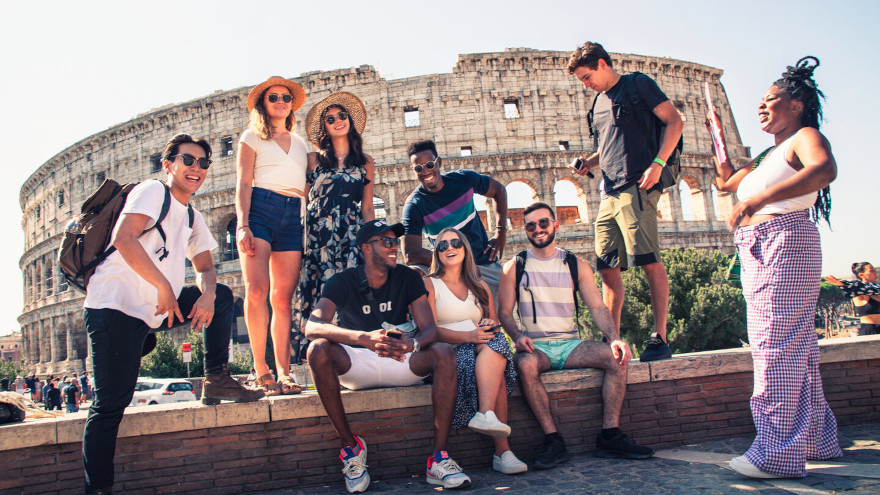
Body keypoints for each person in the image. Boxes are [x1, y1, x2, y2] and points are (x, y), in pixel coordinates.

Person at [81, 133, 263, 494]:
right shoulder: (152, 191)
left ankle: (216, 378)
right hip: (114, 307)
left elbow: (206, 268)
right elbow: (124, 238)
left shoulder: (192, 215)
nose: (196, 169)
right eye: (188, 160)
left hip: (154, 310)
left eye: (203, 163)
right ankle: (97, 489)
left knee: (224, 296)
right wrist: (165, 286)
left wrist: (207, 294)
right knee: (109, 405)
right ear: (169, 164)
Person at [707, 57, 841, 479]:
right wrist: (720, 151)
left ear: (797, 104)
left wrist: (757, 201)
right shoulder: (767, 158)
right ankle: (817, 439)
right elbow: (726, 180)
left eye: (771, 101)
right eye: (760, 103)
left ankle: (777, 454)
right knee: (795, 347)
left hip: (783, 240)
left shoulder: (805, 136)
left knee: (773, 347)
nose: (761, 108)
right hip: (761, 246)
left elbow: (826, 170)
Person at [305, 220, 470, 493]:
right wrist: (362, 338)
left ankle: (438, 458)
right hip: (358, 361)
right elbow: (312, 327)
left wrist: (412, 345)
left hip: (400, 358)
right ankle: (350, 448)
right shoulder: (342, 281)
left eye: (396, 241)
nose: (395, 247)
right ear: (367, 249)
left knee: (443, 352)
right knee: (318, 349)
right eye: (387, 241)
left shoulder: (407, 277)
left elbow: (429, 329)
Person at [498, 202, 654, 470]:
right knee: (524, 364)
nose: (538, 229)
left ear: (555, 225)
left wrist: (614, 338)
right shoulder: (514, 266)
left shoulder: (576, 264)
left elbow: (597, 307)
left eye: (543, 223)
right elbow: (504, 312)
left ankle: (610, 435)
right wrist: (516, 336)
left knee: (616, 357)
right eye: (531, 225)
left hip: (571, 345)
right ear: (525, 230)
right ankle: (553, 439)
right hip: (538, 347)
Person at [567, 42, 683, 362]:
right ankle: (612, 340)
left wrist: (658, 163)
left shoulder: (637, 85)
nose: (585, 84)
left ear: (603, 64)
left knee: (648, 260)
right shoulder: (598, 104)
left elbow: (675, 122)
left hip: (638, 185)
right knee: (606, 267)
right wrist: (588, 163)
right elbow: (608, 146)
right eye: (581, 80)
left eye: (587, 76)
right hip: (610, 189)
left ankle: (659, 336)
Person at [424, 227, 526, 475]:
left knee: (496, 346)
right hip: (447, 355)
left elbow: (492, 324)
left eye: (455, 243)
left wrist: (488, 326)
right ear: (436, 253)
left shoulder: (479, 285)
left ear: (465, 248)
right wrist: (469, 335)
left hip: (482, 350)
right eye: (442, 245)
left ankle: (487, 417)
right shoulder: (429, 284)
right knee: (497, 361)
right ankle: (502, 450)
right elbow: (428, 331)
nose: (449, 248)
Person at [235, 76, 308, 395]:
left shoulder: (302, 143)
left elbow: (307, 184)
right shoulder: (251, 137)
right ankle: (261, 369)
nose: (281, 101)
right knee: (256, 290)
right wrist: (242, 224)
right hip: (260, 209)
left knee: (283, 299)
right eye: (274, 97)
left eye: (286, 98)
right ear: (263, 104)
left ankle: (284, 371)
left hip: (293, 213)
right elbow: (243, 183)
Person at [293, 92, 375, 365]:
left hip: (350, 236)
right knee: (319, 294)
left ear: (350, 120)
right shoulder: (313, 160)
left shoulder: (365, 163)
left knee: (350, 293)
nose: (338, 121)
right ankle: (319, 360)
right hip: (319, 238)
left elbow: (367, 208)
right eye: (331, 119)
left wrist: (372, 242)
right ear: (324, 127)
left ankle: (353, 359)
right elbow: (300, 199)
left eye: (342, 116)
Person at [402, 139, 508, 305]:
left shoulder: (464, 179)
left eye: (429, 164)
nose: (425, 171)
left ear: (439, 162)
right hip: (447, 268)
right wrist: (452, 264)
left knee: (510, 294)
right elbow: (410, 254)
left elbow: (499, 190)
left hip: (482, 264)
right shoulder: (414, 205)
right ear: (413, 171)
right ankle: (422, 327)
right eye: (418, 168)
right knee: (412, 273)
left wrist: (501, 231)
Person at [825, 263, 880, 336]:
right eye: (872, 270)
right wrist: (842, 284)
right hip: (870, 331)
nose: (876, 273)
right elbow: (856, 287)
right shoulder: (858, 291)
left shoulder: (875, 290)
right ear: (861, 275)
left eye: (875, 270)